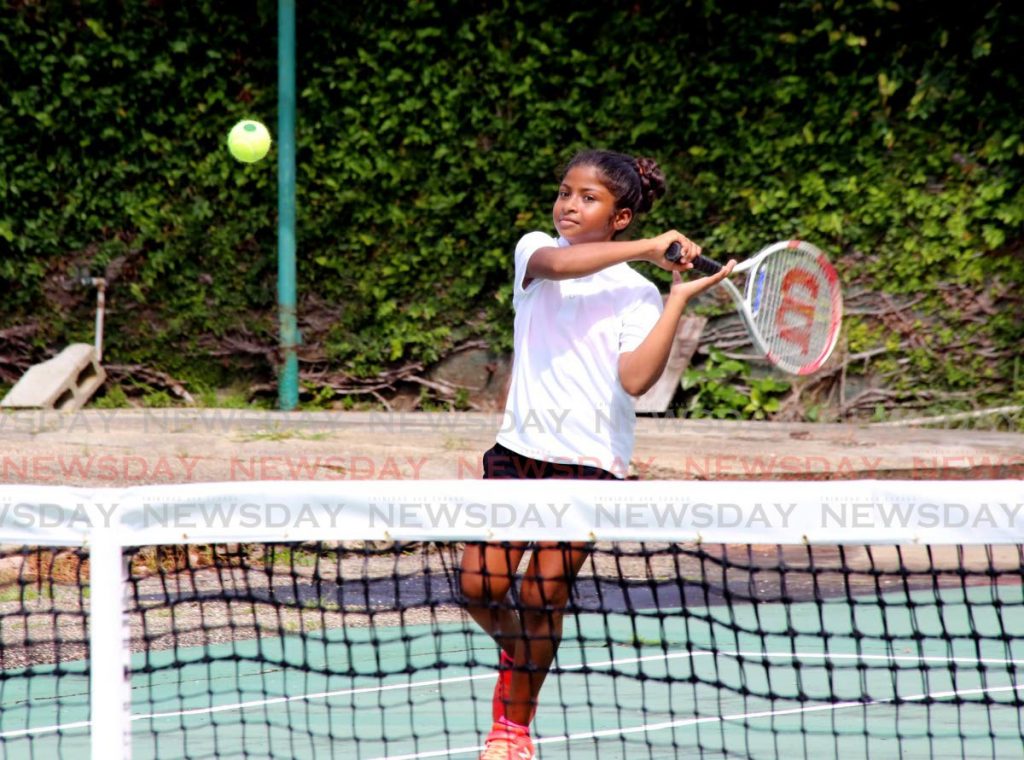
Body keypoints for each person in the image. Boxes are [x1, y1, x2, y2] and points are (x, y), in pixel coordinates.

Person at [459, 149, 734, 760]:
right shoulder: (534, 251)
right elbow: (560, 264)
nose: (569, 205)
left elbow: (635, 380)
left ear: (622, 216)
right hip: (518, 454)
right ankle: (525, 655)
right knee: (479, 588)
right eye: (565, 192)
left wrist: (677, 298)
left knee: (542, 599)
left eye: (588, 198)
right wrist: (644, 249)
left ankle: (512, 730)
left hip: (589, 466)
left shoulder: (638, 295)